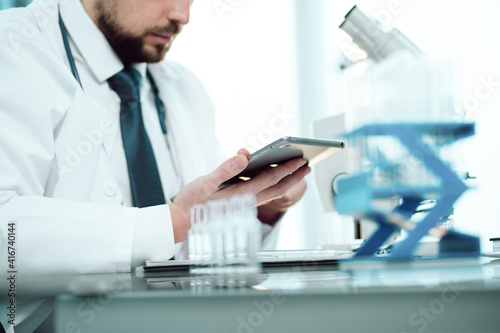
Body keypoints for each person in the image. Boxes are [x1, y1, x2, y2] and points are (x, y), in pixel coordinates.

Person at [0, 0, 309, 275]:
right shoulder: (13, 45)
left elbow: (206, 260)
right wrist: (172, 222)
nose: (183, 14)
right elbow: (6, 233)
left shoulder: (184, 89)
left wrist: (265, 208)